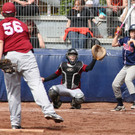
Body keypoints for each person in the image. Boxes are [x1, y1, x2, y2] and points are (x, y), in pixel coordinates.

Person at [0, 2, 63, 129]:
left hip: (10, 56)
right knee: (36, 84)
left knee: (13, 92)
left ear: (2, 14)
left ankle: (15, 123)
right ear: (15, 13)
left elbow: (1, 41)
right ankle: (49, 111)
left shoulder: (1, 24)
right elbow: (25, 40)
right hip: (26, 55)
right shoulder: (22, 25)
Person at [111, 24, 135, 111]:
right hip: (125, 66)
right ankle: (120, 105)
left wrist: (133, 42)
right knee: (115, 84)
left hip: (133, 65)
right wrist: (116, 35)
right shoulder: (125, 39)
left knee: (128, 80)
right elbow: (113, 44)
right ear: (129, 32)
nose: (134, 33)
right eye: (132, 32)